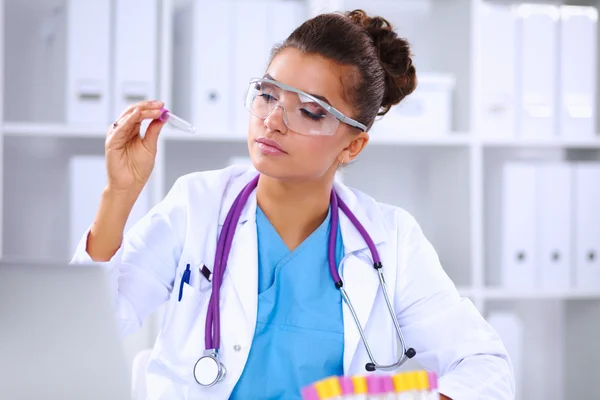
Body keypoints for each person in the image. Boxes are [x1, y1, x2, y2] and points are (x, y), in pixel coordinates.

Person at [71, 9, 514, 400]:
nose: (273, 121)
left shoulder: (391, 241)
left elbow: (488, 368)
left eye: (311, 111)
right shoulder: (199, 205)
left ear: (353, 145)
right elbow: (84, 331)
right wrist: (120, 193)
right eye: (268, 95)